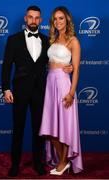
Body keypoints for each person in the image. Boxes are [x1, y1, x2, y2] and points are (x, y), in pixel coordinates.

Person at [2, 5, 73, 177]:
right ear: (26, 19)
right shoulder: (13, 39)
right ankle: (15, 165)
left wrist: (69, 66)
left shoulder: (47, 40)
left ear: (40, 21)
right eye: (30, 17)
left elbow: (56, 59)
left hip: (42, 92)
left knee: (38, 130)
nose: (33, 20)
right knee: (18, 128)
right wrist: (5, 88)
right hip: (19, 91)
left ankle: (38, 163)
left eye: (37, 18)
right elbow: (6, 66)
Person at [39, 6, 83, 175]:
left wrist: (71, 92)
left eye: (61, 18)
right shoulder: (52, 39)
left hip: (64, 84)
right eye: (55, 19)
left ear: (67, 20)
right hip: (50, 83)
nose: (58, 21)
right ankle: (62, 161)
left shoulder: (74, 41)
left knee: (64, 126)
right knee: (51, 128)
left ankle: (64, 162)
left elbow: (77, 69)